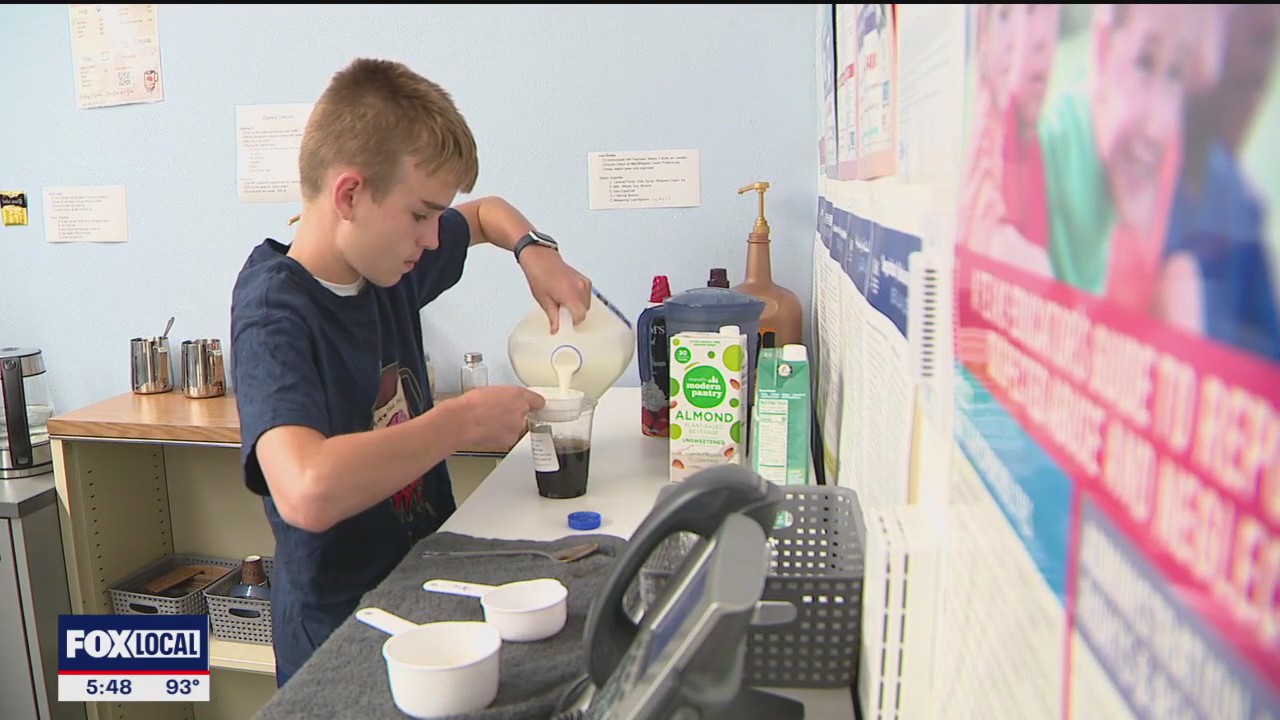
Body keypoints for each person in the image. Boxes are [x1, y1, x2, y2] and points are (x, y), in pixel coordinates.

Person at [228, 57, 593, 686]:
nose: (432, 238)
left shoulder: (384, 268)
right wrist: (460, 422)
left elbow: (484, 215)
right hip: (339, 638)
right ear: (349, 195)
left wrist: (535, 251)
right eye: (421, 214)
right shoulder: (273, 310)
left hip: (422, 589)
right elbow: (306, 489)